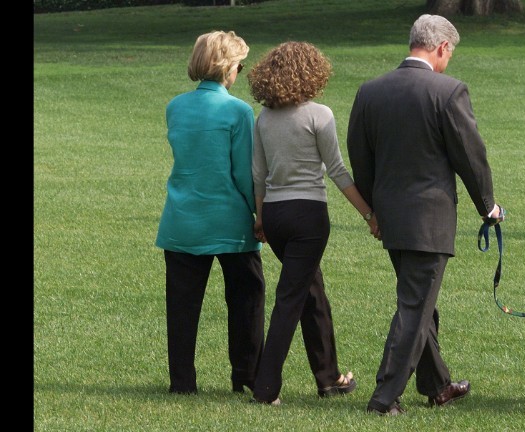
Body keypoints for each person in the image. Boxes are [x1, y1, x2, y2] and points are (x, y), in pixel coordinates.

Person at [346, 14, 506, 416]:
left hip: (389, 217)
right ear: (442, 48)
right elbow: (471, 156)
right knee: (415, 308)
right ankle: (384, 399)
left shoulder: (370, 91)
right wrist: (487, 206)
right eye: (451, 52)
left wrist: (372, 210)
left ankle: (437, 385)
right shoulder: (449, 92)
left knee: (419, 301)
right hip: (428, 220)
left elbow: (359, 156)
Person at [246, 41, 379, 406]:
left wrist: (260, 218)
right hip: (308, 218)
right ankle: (266, 387)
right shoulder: (320, 115)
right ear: (312, 74)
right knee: (290, 298)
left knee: (310, 292)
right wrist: (369, 215)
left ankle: (329, 377)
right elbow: (337, 171)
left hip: (274, 215)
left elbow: (259, 173)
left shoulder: (264, 118)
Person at [156, 30, 266, 395]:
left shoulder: (175, 106)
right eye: (240, 65)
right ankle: (247, 377)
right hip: (230, 222)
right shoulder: (238, 111)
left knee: (182, 308)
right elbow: (243, 173)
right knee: (246, 300)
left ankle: (182, 382)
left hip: (182, 220)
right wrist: (259, 214)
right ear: (228, 68)